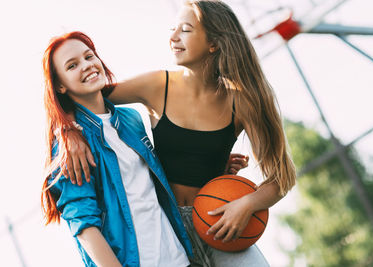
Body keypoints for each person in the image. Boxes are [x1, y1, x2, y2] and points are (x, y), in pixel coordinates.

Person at [63, 0, 297, 266]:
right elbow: (85, 96)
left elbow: (281, 179)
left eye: (185, 29)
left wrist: (247, 205)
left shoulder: (242, 102)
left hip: (221, 222)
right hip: (169, 231)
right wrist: (67, 129)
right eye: (173, 29)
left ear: (214, 43)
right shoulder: (157, 85)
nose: (173, 37)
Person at [40, 31, 193, 267]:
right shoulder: (69, 146)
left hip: (180, 258)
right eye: (72, 65)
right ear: (60, 85)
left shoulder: (131, 119)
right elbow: (83, 225)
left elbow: (157, 180)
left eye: (89, 57)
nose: (87, 66)